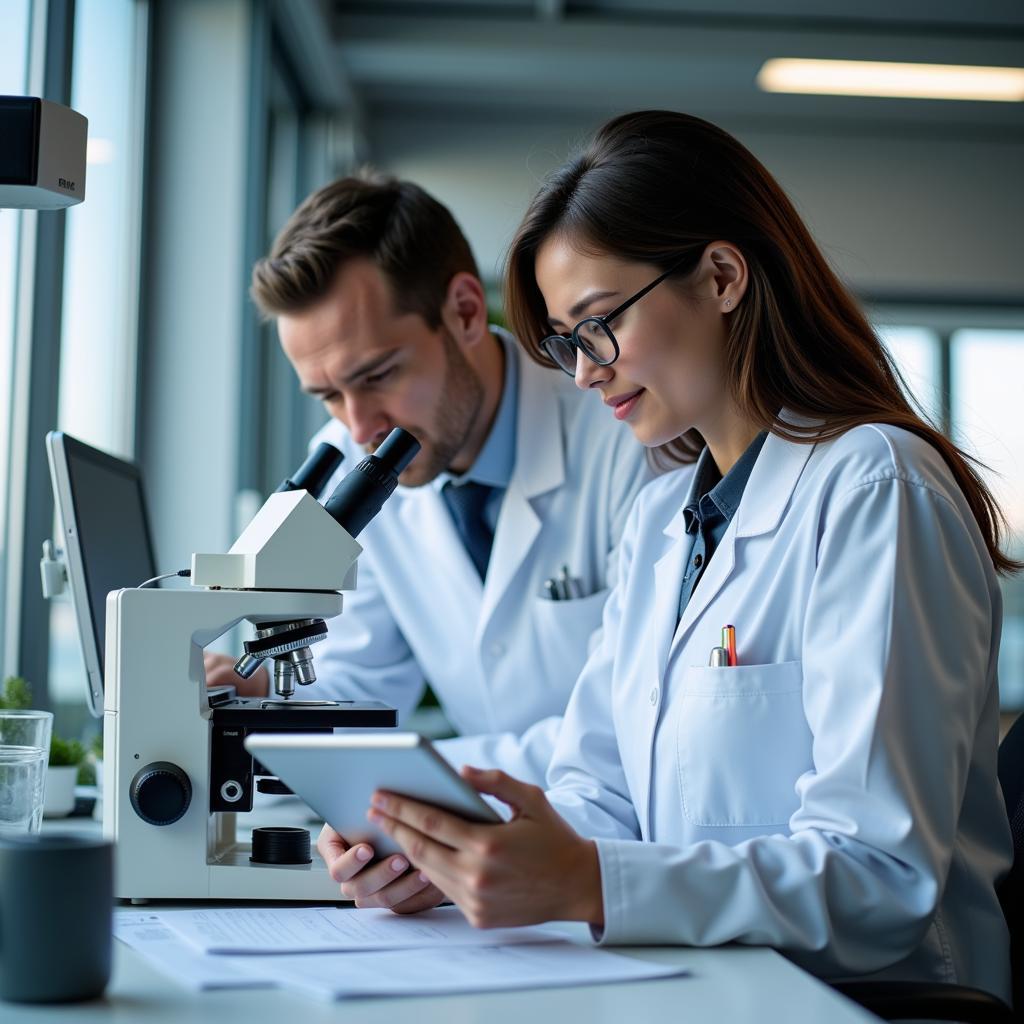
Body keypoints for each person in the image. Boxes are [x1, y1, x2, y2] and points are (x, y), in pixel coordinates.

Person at [332, 111, 1016, 1002]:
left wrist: (587, 882)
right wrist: (459, 855)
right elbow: (598, 796)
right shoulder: (664, 518)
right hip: (702, 980)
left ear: (722, 276)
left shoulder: (873, 486)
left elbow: (878, 876)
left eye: (596, 325)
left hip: (876, 999)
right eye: (564, 344)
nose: (582, 372)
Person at [205, 172, 652, 885]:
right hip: (491, 874)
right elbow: (364, 680)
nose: (358, 426)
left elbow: (627, 731)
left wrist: (407, 795)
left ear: (466, 312)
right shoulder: (367, 466)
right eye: (327, 395)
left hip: (618, 860)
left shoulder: (624, 440)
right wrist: (262, 705)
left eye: (378, 375)